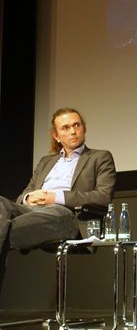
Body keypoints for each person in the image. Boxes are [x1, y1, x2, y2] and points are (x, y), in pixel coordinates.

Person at [0, 107, 116, 253]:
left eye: (77, 125)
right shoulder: (45, 162)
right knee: (1, 203)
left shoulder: (100, 157)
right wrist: (29, 198)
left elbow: (103, 197)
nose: (73, 132)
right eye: (66, 128)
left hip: (64, 213)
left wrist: (55, 197)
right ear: (56, 136)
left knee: (5, 227)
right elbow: (24, 195)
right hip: (30, 210)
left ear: (84, 128)